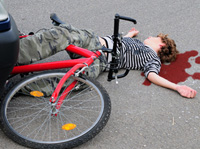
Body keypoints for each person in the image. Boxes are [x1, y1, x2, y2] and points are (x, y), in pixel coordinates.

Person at [17, 23, 197, 98]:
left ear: (162, 45)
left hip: (99, 60)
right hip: (93, 42)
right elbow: (121, 42)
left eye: (156, 37)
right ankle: (16, 52)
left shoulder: (152, 58)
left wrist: (177, 87)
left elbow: (151, 75)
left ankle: (16, 86)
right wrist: (129, 34)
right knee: (63, 33)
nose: (150, 36)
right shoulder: (135, 42)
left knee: (76, 82)